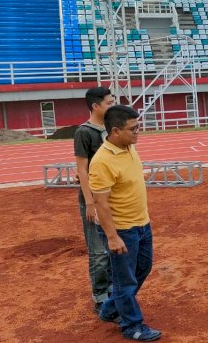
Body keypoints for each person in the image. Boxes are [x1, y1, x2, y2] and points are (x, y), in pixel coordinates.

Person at [90, 105, 161, 342]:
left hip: (142, 224)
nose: (138, 132)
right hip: (121, 230)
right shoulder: (102, 161)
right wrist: (112, 237)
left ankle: (110, 309)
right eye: (133, 129)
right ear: (115, 131)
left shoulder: (128, 147)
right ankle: (132, 325)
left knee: (143, 268)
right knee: (125, 280)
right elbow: (101, 203)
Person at [74, 87, 114, 315]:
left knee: (114, 247)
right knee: (98, 252)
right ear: (95, 106)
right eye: (108, 103)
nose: (112, 105)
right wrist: (89, 202)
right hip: (93, 200)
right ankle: (100, 296)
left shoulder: (112, 128)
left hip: (111, 199)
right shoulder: (84, 132)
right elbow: (82, 170)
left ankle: (112, 290)